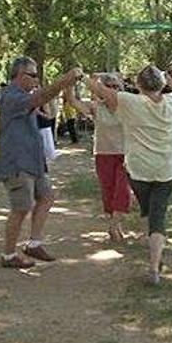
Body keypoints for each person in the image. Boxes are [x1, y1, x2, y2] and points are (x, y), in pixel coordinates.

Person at [90, 59, 172, 285]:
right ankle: (154, 265)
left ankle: (153, 252)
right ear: (162, 84)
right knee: (158, 214)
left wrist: (89, 76)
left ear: (139, 85)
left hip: (138, 168)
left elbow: (97, 88)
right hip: (167, 167)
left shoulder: (129, 102)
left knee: (147, 210)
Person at [0, 57, 82, 269]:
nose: (36, 79)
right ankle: (8, 255)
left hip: (33, 161)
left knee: (46, 197)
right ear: (18, 75)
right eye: (33, 75)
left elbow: (46, 109)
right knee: (21, 208)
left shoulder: (24, 96)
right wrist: (65, 80)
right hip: (17, 162)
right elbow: (41, 97)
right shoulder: (11, 96)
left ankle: (34, 244)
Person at [67, 74, 132, 242]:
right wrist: (68, 86)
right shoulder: (96, 107)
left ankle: (113, 224)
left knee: (123, 190)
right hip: (103, 154)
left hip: (125, 155)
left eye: (115, 86)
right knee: (108, 192)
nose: (112, 89)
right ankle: (115, 226)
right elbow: (73, 102)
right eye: (108, 85)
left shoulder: (128, 105)